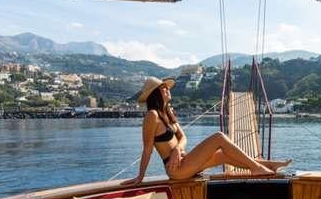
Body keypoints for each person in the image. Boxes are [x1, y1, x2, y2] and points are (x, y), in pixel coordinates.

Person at [121, 77, 290, 184]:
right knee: (219, 137)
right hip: (177, 170)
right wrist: (140, 177)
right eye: (163, 88)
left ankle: (268, 165)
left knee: (224, 156)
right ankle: (257, 168)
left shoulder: (168, 113)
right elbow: (148, 148)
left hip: (185, 162)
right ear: (155, 94)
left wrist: (177, 150)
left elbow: (183, 137)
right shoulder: (152, 115)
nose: (168, 89)